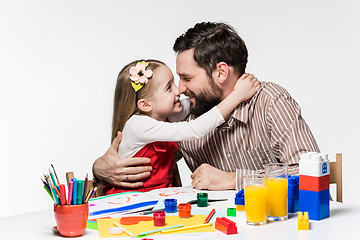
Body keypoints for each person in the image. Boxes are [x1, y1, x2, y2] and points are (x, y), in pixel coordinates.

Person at [93, 22, 320, 192]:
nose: (180, 89)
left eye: (187, 78)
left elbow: (311, 173)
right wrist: (100, 167)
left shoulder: (270, 101)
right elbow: (149, 157)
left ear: (220, 72)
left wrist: (233, 179)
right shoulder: (184, 114)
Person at [98, 59, 260, 195]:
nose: (179, 90)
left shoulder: (166, 115)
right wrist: (237, 96)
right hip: (129, 200)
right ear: (145, 104)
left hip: (156, 198)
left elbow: (200, 101)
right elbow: (195, 129)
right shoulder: (138, 125)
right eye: (169, 87)